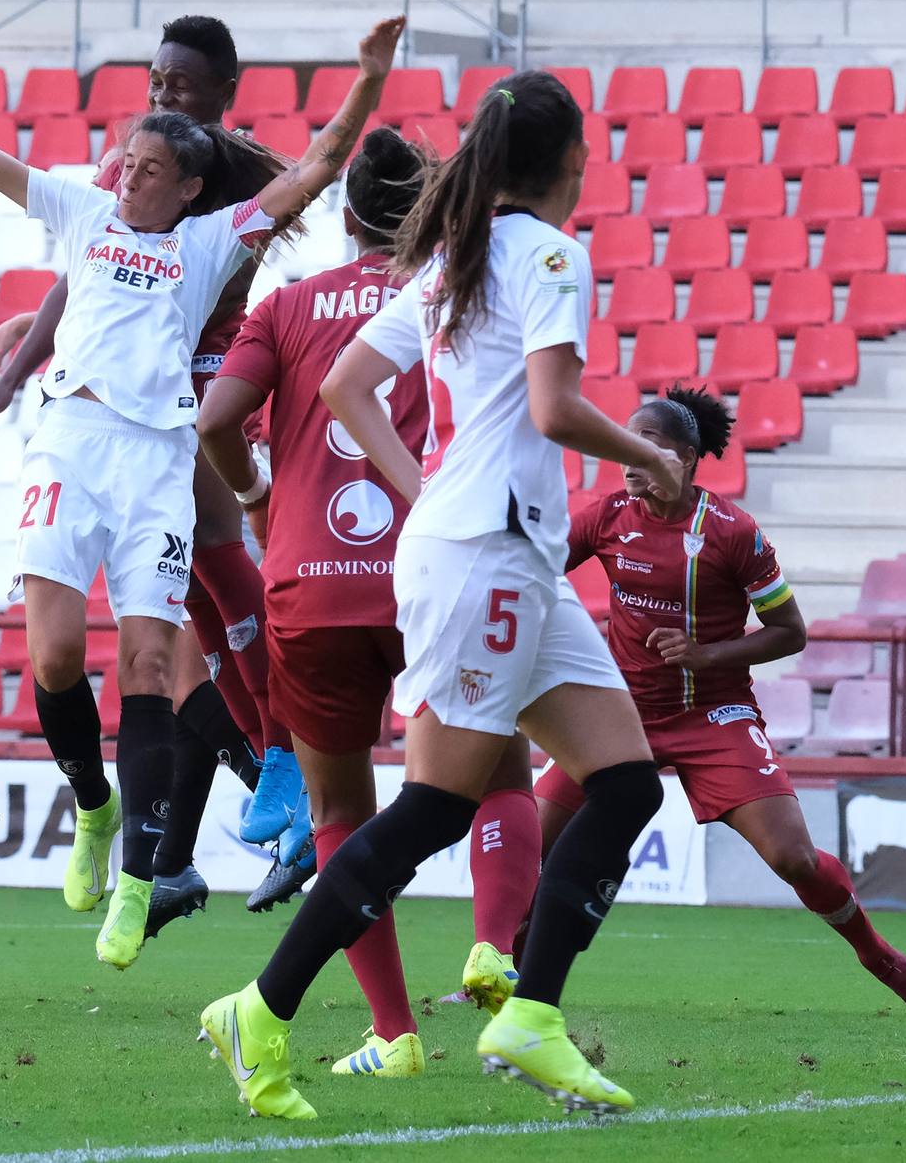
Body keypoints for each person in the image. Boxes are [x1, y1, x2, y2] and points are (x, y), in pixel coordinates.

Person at [0, 13, 405, 973]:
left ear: (188, 185)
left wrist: (367, 80)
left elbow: (319, 166)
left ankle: (143, 874)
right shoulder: (81, 212)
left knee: (152, 665)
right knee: (57, 654)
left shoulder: (211, 240)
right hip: (70, 444)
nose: (127, 167)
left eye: (148, 164)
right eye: (126, 153)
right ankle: (94, 804)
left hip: (158, 457)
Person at [197, 71, 684, 1121]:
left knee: (627, 783)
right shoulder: (551, 255)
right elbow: (553, 411)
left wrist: (420, 491)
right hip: (487, 553)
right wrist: (652, 453)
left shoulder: (456, 263)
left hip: (503, 552)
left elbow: (342, 391)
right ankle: (260, 1007)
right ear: (568, 163)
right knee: (431, 808)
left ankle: (533, 1017)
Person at [194, 126, 538, 1079]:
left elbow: (218, 420)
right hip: (438, 571)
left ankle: (394, 1035)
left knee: (343, 806)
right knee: (501, 768)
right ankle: (496, 945)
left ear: (342, 217)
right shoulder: (457, 298)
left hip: (310, 583)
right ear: (425, 220)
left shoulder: (290, 305)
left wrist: (258, 496)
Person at [0, 16, 317, 921]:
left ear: (224, 94)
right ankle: (186, 847)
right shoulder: (143, 163)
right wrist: (25, 354)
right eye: (156, 83)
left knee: (213, 572)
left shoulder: (235, 175)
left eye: (181, 86)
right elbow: (91, 265)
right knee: (180, 658)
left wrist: (25, 364)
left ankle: (281, 766)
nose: (161, 98)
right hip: (123, 402)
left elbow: (287, 201)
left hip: (194, 384)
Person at [520, 385, 906, 1015]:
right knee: (527, 842)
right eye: (625, 445)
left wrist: (705, 654)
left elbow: (790, 632)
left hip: (713, 715)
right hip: (619, 717)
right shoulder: (607, 516)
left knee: (793, 856)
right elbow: (534, 571)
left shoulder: (733, 532)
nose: (629, 458)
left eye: (647, 446)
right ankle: (506, 977)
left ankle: (877, 953)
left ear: (686, 459)